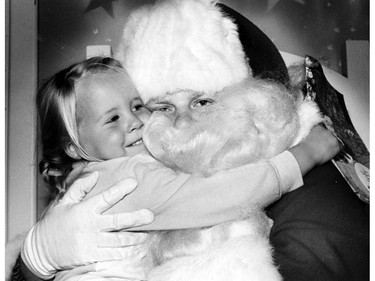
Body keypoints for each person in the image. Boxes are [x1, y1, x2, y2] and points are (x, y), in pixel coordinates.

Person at [19, 55, 339, 281]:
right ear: (74, 146)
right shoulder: (124, 176)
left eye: (136, 107)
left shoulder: (102, 171)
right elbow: (213, 198)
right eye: (112, 118)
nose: (133, 123)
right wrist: (303, 155)